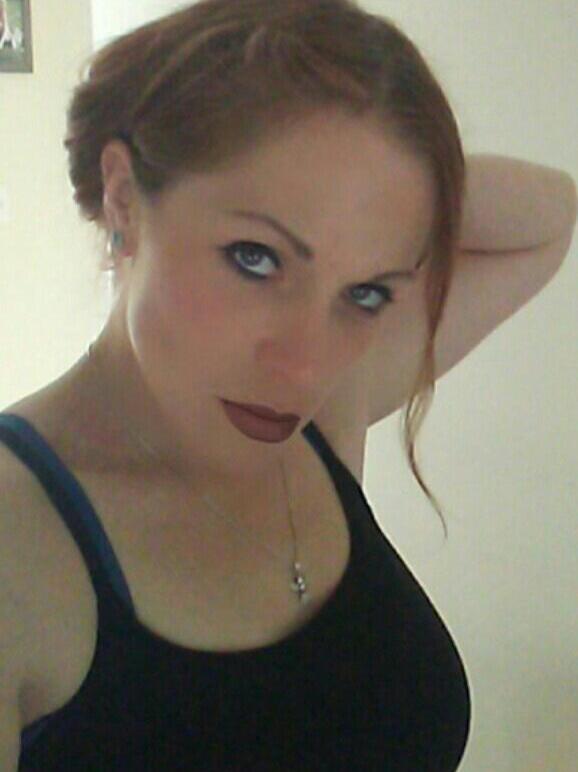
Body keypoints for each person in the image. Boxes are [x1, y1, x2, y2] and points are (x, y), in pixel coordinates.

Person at [0, 1, 475, 769]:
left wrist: (389, 189)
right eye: (256, 258)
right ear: (123, 197)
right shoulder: (17, 537)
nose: (307, 368)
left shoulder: (316, 422)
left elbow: (551, 215)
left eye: (365, 293)